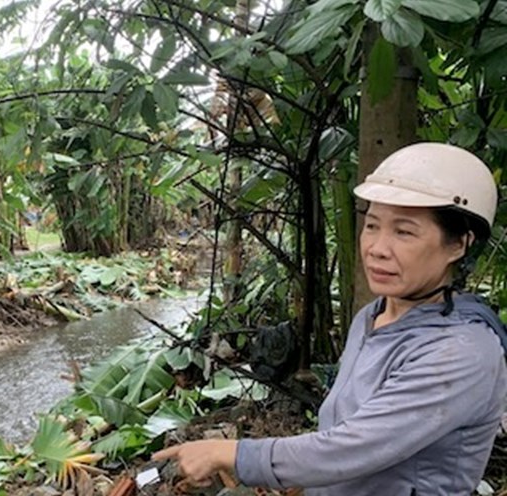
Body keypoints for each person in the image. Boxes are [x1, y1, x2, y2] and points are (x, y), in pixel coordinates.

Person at [153, 142, 507, 495]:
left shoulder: (462, 351)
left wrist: (232, 454)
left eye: (404, 232)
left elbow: (354, 448)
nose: (377, 248)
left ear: (458, 244)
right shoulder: (372, 316)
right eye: (372, 226)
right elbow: (339, 429)